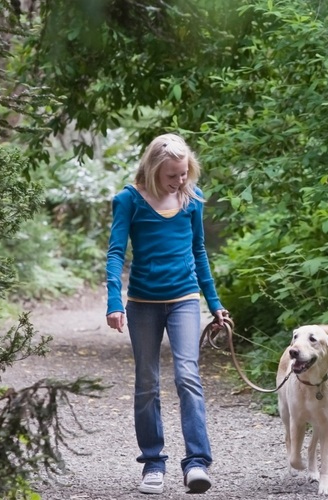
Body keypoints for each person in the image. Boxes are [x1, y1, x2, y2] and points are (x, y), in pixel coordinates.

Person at [105, 133, 228, 495]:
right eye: (172, 175)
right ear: (155, 169)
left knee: (188, 375)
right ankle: (153, 464)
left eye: (184, 173)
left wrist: (215, 301)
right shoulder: (128, 200)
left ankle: (197, 464)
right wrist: (114, 301)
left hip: (184, 298)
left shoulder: (192, 200)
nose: (179, 181)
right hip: (142, 302)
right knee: (147, 383)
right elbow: (115, 253)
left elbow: (199, 252)